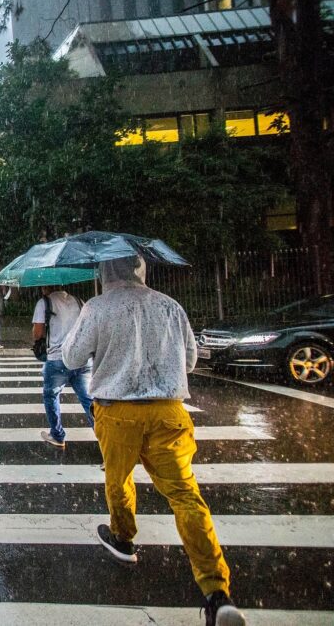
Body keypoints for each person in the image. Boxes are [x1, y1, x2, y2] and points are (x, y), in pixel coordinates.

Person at [62, 256, 244, 626]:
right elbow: (190, 360)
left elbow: (72, 356)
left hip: (118, 413)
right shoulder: (169, 306)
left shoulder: (98, 307)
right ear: (141, 270)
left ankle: (123, 537)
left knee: (118, 478)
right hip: (169, 412)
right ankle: (215, 591)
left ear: (105, 273)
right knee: (185, 494)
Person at [32, 285, 94, 447]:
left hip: (57, 359)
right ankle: (105, 440)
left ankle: (58, 435)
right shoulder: (80, 302)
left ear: (46, 287)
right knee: (89, 400)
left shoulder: (44, 303)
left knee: (51, 396)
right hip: (81, 358)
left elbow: (38, 332)